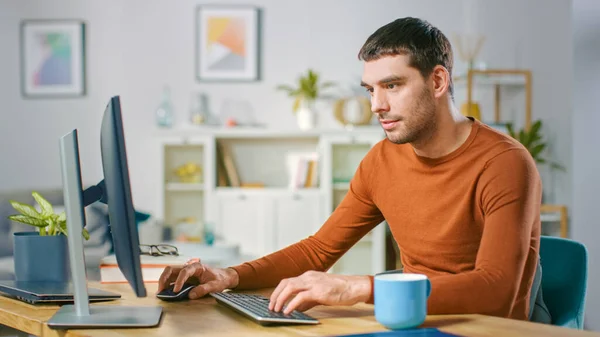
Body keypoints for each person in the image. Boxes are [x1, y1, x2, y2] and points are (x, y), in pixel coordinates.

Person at [158, 17, 549, 322]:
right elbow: (319, 249)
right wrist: (230, 276)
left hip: (486, 327)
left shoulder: (505, 163)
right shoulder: (381, 161)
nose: (376, 104)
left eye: (392, 85)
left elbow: (496, 289)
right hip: (414, 322)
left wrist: (361, 288)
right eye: (370, 89)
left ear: (438, 81)